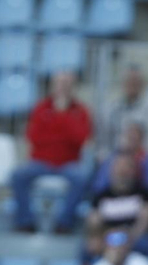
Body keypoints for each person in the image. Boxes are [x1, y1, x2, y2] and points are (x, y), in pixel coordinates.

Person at [11, 71, 92, 234]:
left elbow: (81, 138)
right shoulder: (41, 108)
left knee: (82, 178)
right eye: (60, 84)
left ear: (73, 87)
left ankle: (65, 223)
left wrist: (62, 116)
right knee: (18, 176)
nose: (63, 88)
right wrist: (62, 134)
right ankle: (25, 221)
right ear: (52, 86)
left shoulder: (81, 110)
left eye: (67, 84)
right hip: (41, 162)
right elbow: (34, 137)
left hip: (68, 163)